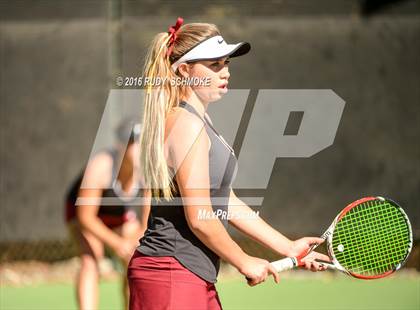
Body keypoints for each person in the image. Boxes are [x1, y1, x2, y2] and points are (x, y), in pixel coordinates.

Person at [128, 18, 331, 310]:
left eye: (226, 63)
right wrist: (243, 259)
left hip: (189, 274)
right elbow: (200, 216)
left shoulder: (197, 120)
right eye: (214, 65)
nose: (225, 72)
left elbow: (225, 201)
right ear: (185, 70)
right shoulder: (186, 124)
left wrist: (288, 247)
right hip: (170, 276)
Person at [65, 120, 145, 310]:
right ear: (120, 146)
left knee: (135, 258)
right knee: (91, 258)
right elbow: (85, 217)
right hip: (85, 216)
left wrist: (131, 244)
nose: (139, 147)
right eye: (133, 142)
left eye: (143, 141)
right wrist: (118, 244)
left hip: (119, 216)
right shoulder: (100, 166)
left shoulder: (148, 168)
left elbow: (148, 220)